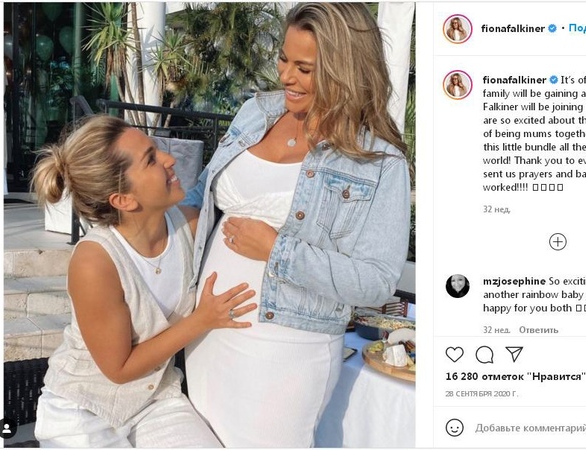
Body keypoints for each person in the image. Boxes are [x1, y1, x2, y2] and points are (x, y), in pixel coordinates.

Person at [182, 3, 411, 447]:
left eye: (304, 68)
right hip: (207, 330)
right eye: (283, 59)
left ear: (345, 71)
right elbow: (202, 194)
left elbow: (377, 282)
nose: (286, 76)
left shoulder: (380, 162)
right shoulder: (255, 111)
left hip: (286, 348)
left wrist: (277, 251)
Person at [30, 115, 257, 447]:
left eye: (156, 149)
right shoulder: (96, 261)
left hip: (156, 399)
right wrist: (202, 320)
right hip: (84, 410)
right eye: (151, 159)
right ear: (124, 199)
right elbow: (119, 369)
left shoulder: (190, 226)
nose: (169, 159)